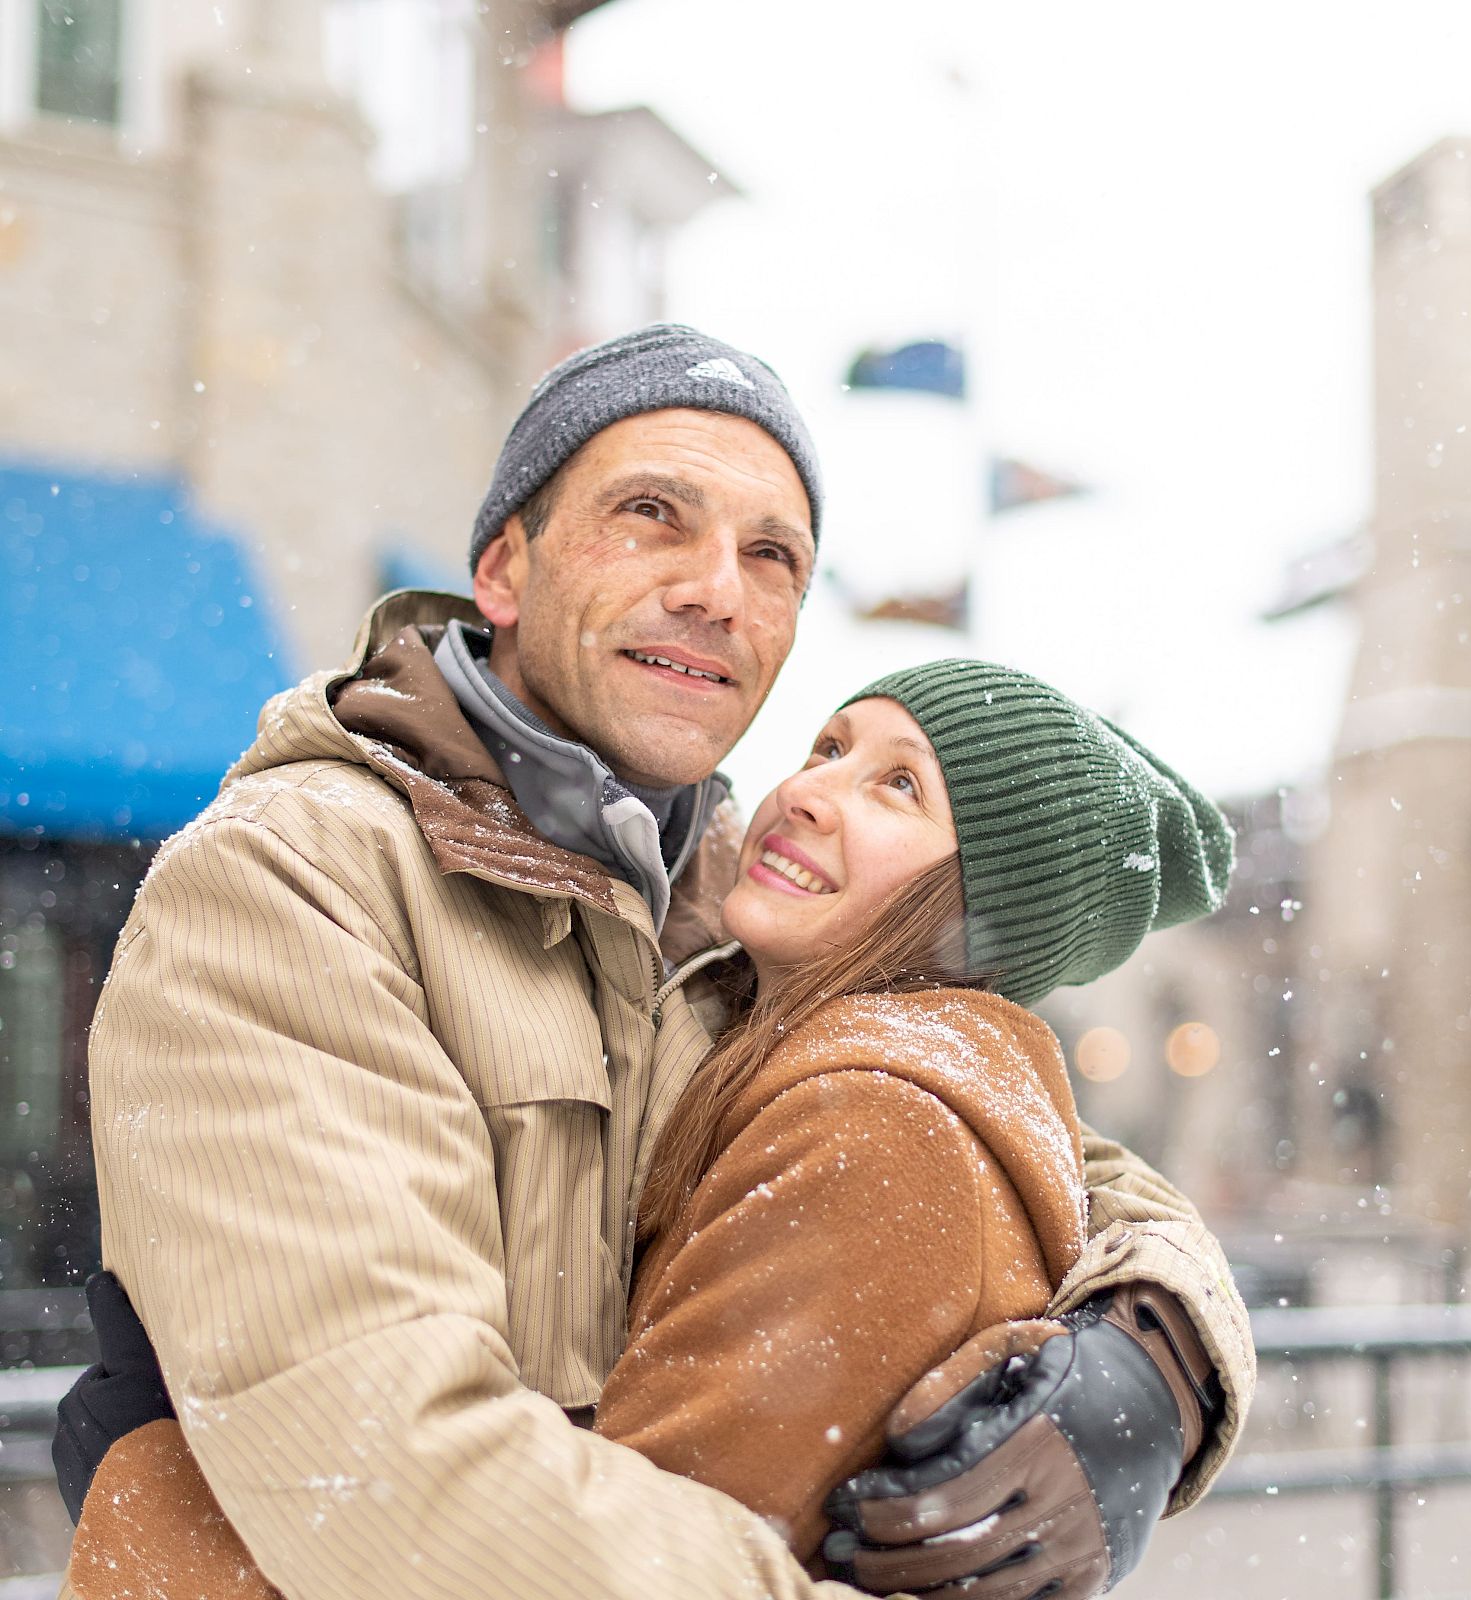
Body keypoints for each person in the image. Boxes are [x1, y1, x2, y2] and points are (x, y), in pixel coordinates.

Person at [56, 326, 1256, 1600]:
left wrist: (1160, 1352)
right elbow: (393, 1476)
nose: (715, 590)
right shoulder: (295, 882)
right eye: (651, 515)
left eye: (771, 556)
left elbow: (1016, 1137)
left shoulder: (728, 912)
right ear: (505, 568)